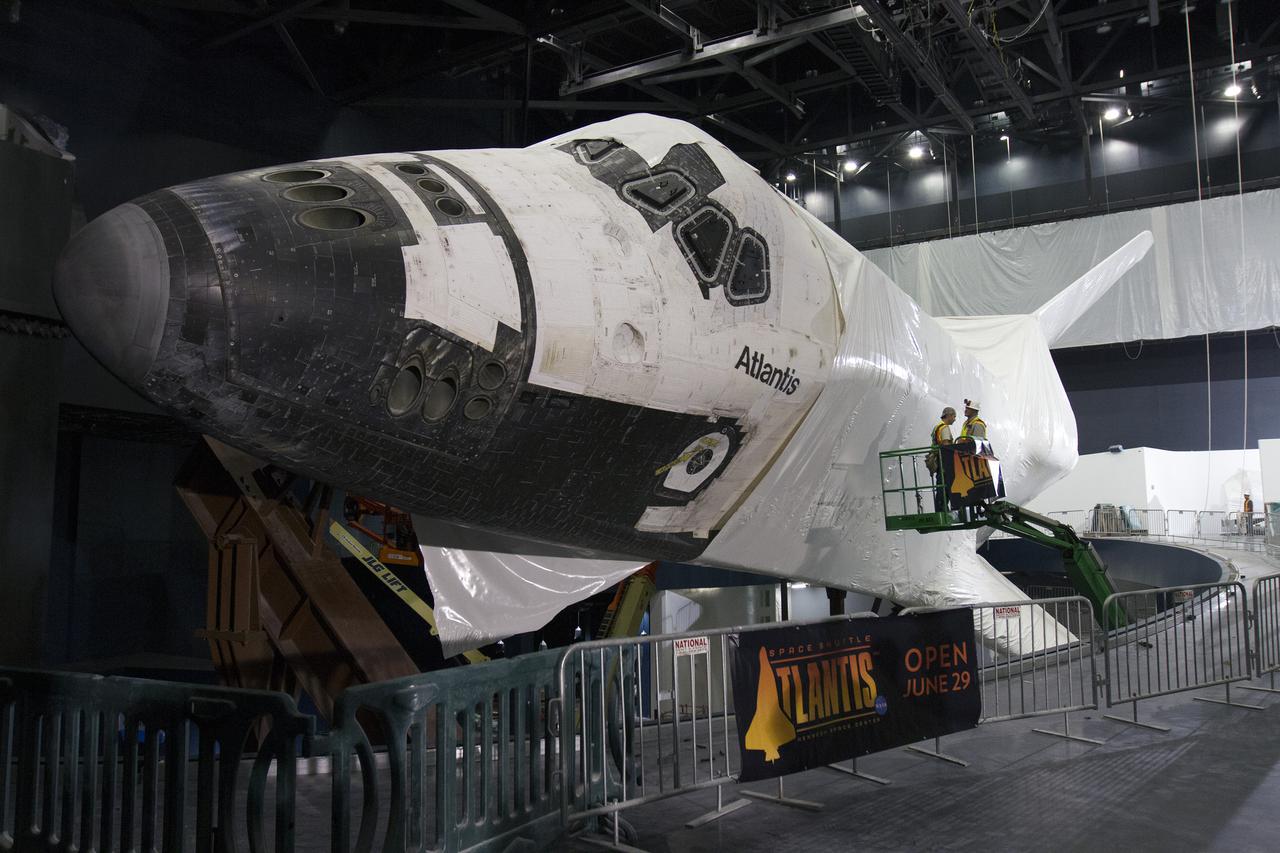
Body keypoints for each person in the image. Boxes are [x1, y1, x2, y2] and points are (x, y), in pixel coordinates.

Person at [927, 407, 956, 511]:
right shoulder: (944, 428)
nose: (955, 419)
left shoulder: (937, 427)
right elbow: (946, 444)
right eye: (954, 416)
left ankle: (941, 508)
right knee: (945, 485)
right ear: (949, 415)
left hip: (939, 460)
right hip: (944, 461)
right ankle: (942, 509)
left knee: (941, 485)